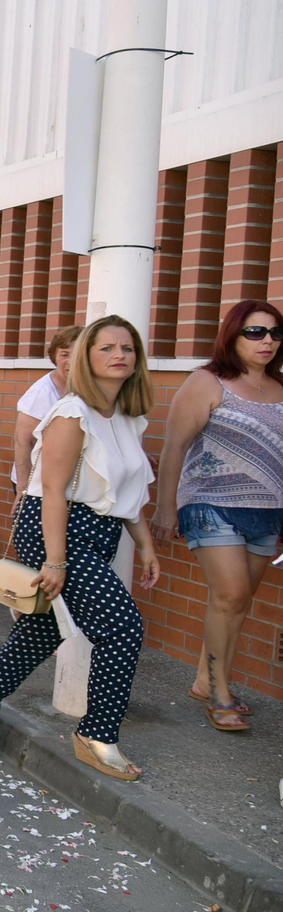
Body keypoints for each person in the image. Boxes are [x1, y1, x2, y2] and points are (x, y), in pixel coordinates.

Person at [0, 315, 160, 781]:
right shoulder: (72, 413)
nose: (119, 356)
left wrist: (145, 545)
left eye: (127, 348)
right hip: (57, 530)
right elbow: (51, 491)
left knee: (42, 632)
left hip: (101, 531)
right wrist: (55, 560)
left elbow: (127, 494)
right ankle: (97, 734)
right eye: (106, 348)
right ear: (86, 357)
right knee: (122, 628)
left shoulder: (127, 418)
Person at [153, 299, 283, 733]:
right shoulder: (208, 382)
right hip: (210, 504)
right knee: (230, 594)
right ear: (233, 334)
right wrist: (166, 508)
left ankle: (205, 677)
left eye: (275, 333)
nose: (267, 341)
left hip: (267, 510)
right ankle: (220, 693)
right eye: (255, 332)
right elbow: (174, 446)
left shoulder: (281, 388)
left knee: (238, 601)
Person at [14, 326, 82, 495]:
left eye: (78, 354)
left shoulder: (92, 389)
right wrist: (24, 489)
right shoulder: (42, 393)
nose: (71, 362)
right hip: (38, 485)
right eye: (64, 354)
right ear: (54, 357)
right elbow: (23, 442)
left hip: (72, 483)